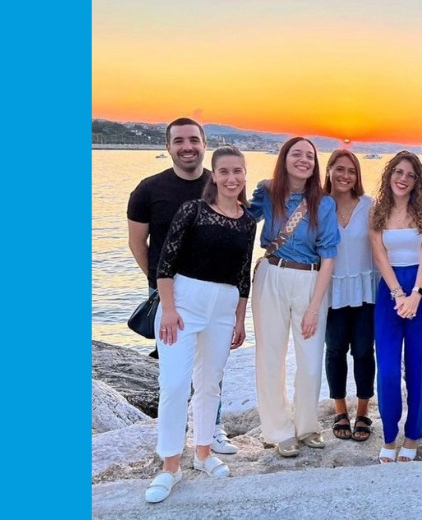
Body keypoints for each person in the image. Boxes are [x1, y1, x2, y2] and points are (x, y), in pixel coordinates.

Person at [145, 145, 256, 503]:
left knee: (210, 384)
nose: (231, 178)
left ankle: (204, 453)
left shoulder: (247, 221)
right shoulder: (192, 210)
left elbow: (243, 274)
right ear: (214, 175)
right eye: (224, 171)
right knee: (175, 384)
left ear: (244, 175)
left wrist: (240, 318)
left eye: (237, 171)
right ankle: (170, 466)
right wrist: (168, 308)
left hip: (224, 309)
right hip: (183, 302)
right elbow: (165, 263)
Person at [127, 117, 237, 455]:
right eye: (179, 141)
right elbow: (137, 242)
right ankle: (171, 443)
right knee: (173, 376)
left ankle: (212, 430)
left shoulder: (220, 184)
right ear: (168, 147)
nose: (187, 147)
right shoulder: (148, 190)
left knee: (211, 370)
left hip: (214, 293)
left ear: (205, 144)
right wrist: (159, 286)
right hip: (169, 293)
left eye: (193, 140)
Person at [248, 137, 340, 458]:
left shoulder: (324, 203)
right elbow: (240, 218)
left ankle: (307, 425)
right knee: (270, 356)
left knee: (311, 361)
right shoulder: (267, 192)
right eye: (296, 154)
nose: (303, 160)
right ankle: (278, 430)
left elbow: (329, 256)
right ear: (284, 159)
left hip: (310, 279)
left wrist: (314, 307)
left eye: (310, 156)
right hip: (271, 274)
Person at [369, 151, 422, 463]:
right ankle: (389, 435)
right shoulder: (377, 212)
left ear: (417, 182)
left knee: (418, 367)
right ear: (389, 174)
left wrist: (415, 295)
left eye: (411, 175)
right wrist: (398, 294)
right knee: (386, 369)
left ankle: (412, 435)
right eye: (398, 172)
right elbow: (379, 255)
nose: (403, 179)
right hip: (390, 292)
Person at [323, 150, 377, 443]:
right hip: (331, 289)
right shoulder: (319, 205)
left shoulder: (369, 205)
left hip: (365, 288)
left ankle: (363, 412)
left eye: (351, 171)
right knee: (334, 351)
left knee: (364, 351)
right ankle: (340, 410)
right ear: (329, 170)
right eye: (340, 169)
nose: (345, 176)